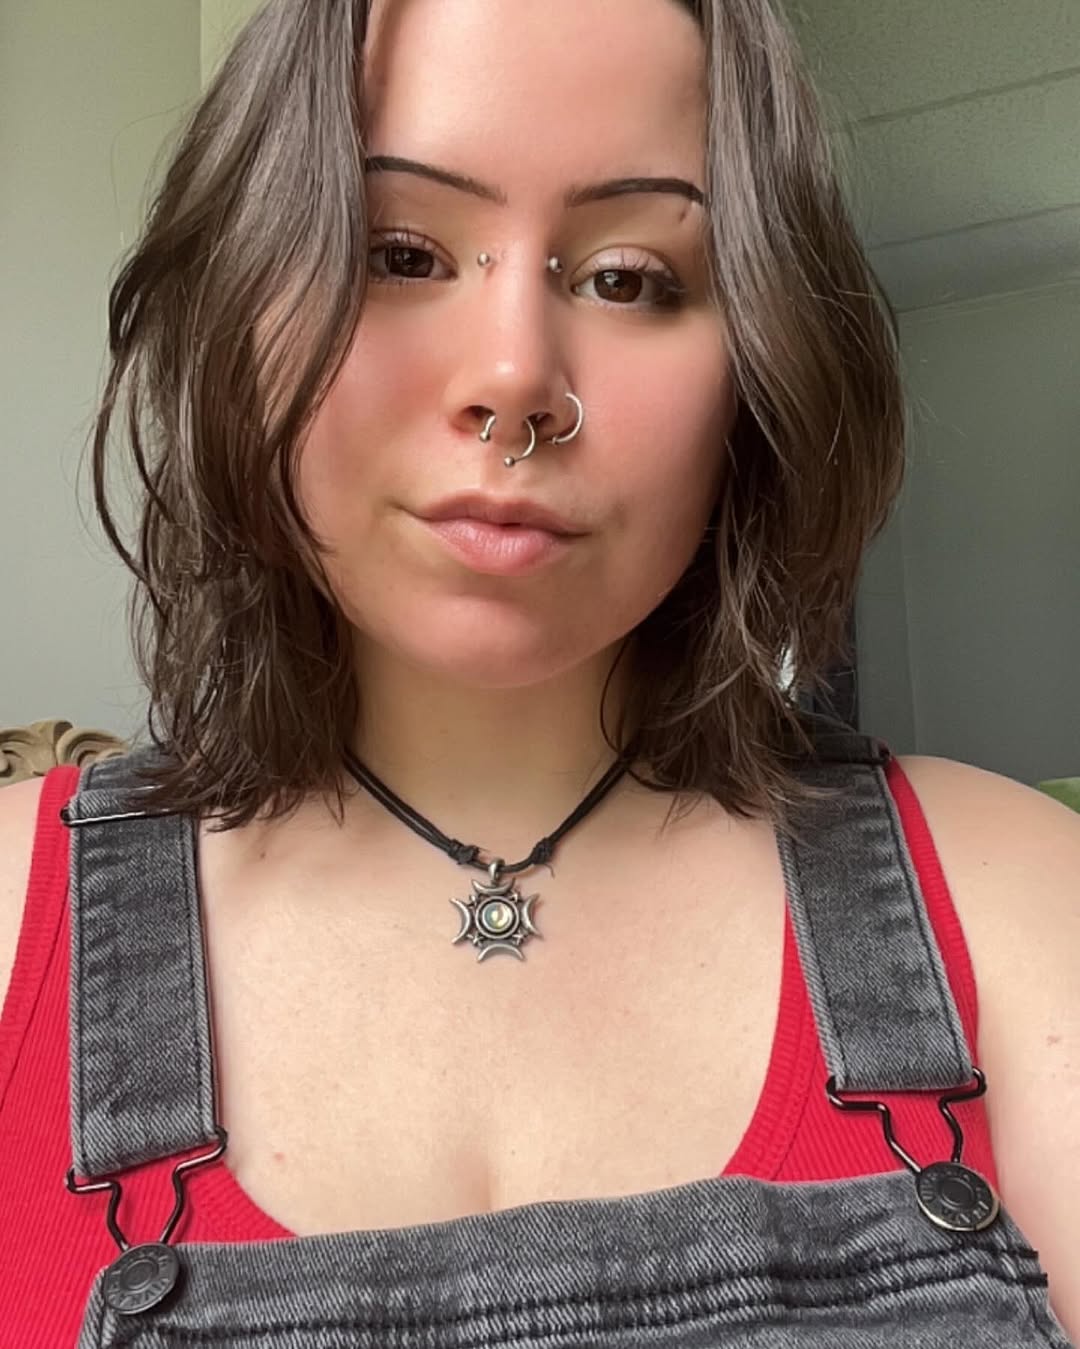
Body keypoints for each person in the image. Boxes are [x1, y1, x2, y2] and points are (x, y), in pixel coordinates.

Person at [1, 0, 1077, 1343]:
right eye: (398, 252)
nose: (515, 378)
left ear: (759, 362)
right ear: (237, 308)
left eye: (629, 277)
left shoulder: (1026, 901)